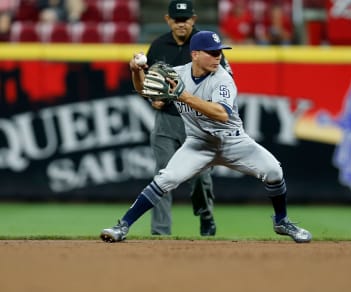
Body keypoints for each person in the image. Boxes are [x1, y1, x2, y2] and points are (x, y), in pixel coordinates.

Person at [100, 30, 312, 244]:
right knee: (166, 179)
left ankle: (281, 221)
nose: (217, 56)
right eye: (211, 52)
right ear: (195, 54)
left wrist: (184, 96)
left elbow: (221, 114)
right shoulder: (177, 75)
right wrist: (136, 71)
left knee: (274, 171)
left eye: (219, 51)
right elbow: (147, 91)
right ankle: (123, 225)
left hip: (233, 142)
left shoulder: (222, 79)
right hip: (198, 144)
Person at [139, 0, 232, 236]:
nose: (182, 24)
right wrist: (153, 99)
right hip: (167, 120)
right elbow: (150, 84)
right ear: (168, 20)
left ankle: (206, 216)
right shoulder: (159, 45)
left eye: (186, 19)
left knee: (201, 177)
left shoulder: (207, 43)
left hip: (198, 121)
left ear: (194, 19)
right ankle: (160, 232)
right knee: (163, 176)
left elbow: (225, 77)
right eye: (177, 19)